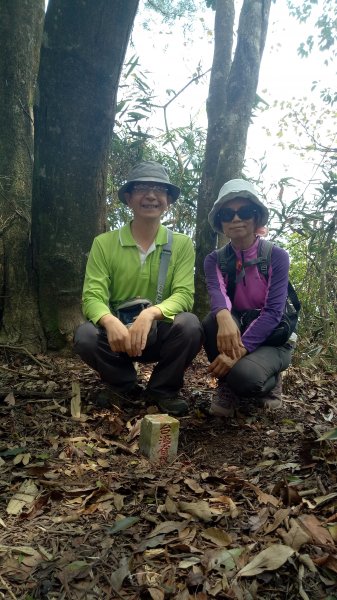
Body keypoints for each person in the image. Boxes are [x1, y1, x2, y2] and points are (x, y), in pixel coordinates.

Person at [74, 160, 203, 416]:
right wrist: (110, 321)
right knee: (86, 335)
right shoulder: (104, 243)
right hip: (117, 337)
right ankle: (123, 384)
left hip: (157, 332)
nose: (151, 196)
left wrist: (150, 314)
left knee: (189, 325)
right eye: (143, 188)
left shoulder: (181, 244)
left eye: (159, 189)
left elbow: (184, 294)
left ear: (168, 200)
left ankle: (162, 390)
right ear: (129, 198)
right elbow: (93, 295)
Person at [202, 179, 293, 417]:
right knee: (211, 321)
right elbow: (217, 294)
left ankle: (271, 381)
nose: (235, 219)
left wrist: (238, 351)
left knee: (246, 379)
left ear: (257, 218)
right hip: (238, 327)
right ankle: (225, 387)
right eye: (227, 214)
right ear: (220, 222)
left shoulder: (276, 256)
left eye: (245, 212)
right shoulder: (215, 260)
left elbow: (273, 312)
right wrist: (223, 316)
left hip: (273, 337)